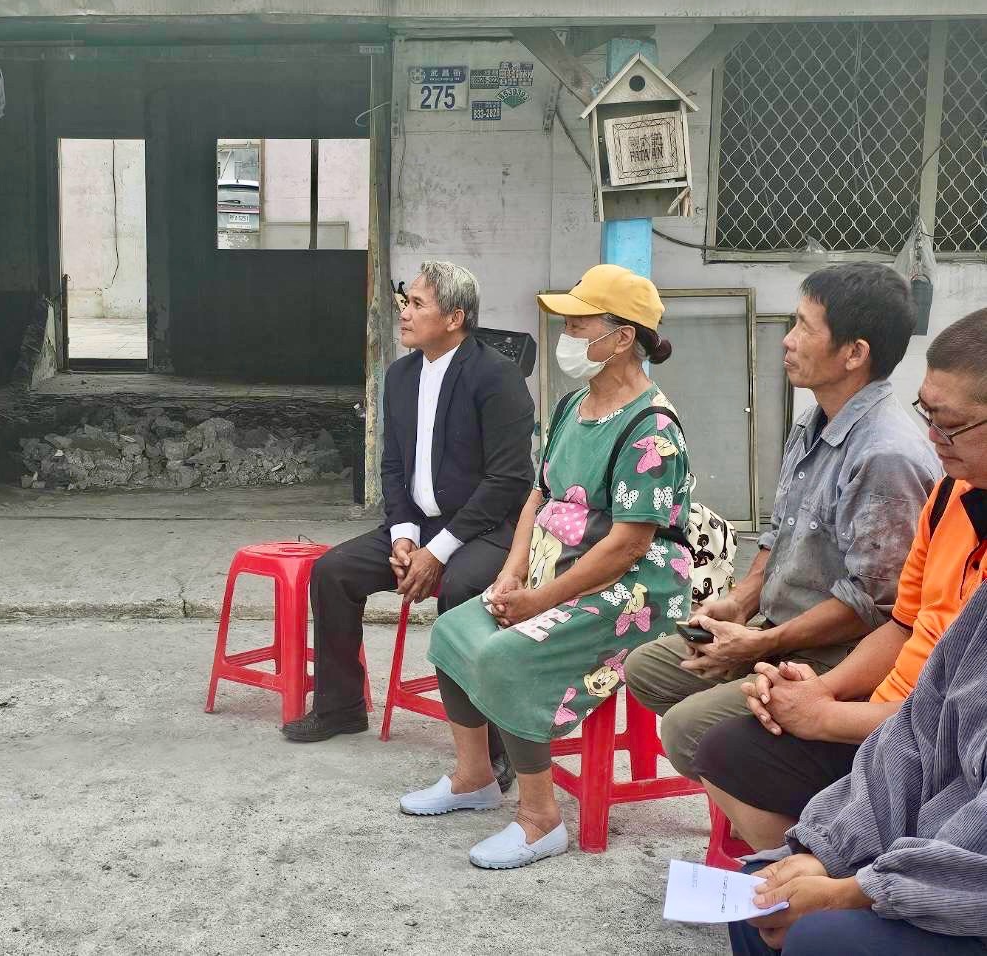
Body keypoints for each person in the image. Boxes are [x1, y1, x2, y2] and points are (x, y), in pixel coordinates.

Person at [404, 264, 692, 870]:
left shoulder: (652, 428)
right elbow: (538, 495)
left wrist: (541, 601)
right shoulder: (572, 406)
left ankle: (539, 820)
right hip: (560, 568)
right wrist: (513, 575)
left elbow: (628, 546)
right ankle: (475, 775)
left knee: (511, 655)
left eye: (578, 322)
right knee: (456, 628)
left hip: (633, 590)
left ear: (621, 336)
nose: (565, 333)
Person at [625, 263, 939, 779]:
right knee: (649, 669)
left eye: (804, 328)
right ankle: (759, 770)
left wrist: (765, 645)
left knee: (688, 731)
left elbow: (873, 605)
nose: (787, 341)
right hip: (779, 632)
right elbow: (780, 531)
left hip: (835, 661)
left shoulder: (886, 455)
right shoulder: (812, 422)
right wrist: (740, 603)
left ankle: (789, 807)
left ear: (854, 353)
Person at [695, 308, 987, 850]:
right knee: (722, 746)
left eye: (947, 422)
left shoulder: (890, 454)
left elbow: (957, 716)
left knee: (706, 730)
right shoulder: (950, 496)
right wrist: (816, 691)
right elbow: (901, 625)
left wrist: (826, 713)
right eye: (926, 410)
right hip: (884, 712)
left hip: (946, 745)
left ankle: (836, 887)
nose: (930, 435)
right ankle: (813, 876)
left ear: (854, 351)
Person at [282, 261, 535, 791]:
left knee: (464, 592)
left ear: (455, 317)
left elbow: (508, 481)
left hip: (485, 531)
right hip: (415, 526)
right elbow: (393, 467)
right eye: (406, 299)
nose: (405, 311)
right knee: (333, 571)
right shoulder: (401, 375)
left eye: (418, 304)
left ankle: (494, 747)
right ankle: (342, 706)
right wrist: (402, 535)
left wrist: (438, 551)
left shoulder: (496, 377)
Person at [727, 578, 987, 956]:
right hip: (928, 826)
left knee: (821, 937)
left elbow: (862, 603)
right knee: (758, 895)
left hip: (967, 886)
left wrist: (857, 891)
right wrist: (829, 853)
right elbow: (917, 729)